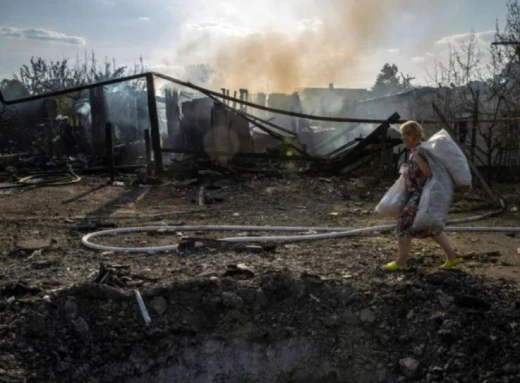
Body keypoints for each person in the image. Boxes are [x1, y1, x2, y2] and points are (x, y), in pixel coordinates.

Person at [383, 121, 463, 271]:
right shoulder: (416, 150)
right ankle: (453, 256)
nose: (402, 138)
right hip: (415, 195)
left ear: (411, 135)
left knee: (403, 224)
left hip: (421, 196)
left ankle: (400, 262)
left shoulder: (420, 151)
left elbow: (428, 172)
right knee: (428, 228)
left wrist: (416, 155)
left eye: (404, 135)